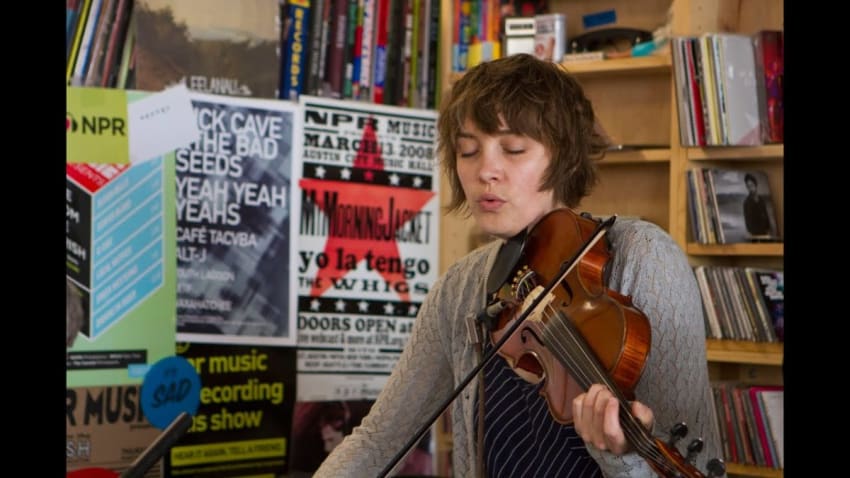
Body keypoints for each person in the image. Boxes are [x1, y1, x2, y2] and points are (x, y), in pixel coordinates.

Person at [314, 53, 721, 477]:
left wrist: (621, 456)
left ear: (564, 157)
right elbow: (380, 437)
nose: (485, 170)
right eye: (468, 151)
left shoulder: (643, 260)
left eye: (513, 149)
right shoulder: (461, 287)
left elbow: (691, 458)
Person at [742, 172, 772, 237]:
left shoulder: (761, 200)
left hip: (765, 232)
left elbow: (766, 216)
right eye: (748, 186)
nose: (750, 188)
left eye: (752, 185)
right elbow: (748, 223)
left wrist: (768, 229)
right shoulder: (746, 203)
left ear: (755, 184)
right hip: (756, 235)